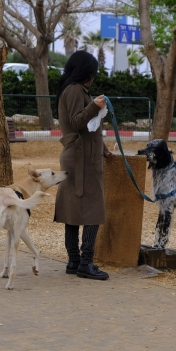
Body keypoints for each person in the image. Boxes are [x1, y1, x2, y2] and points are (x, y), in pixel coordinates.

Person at [54, 50, 112, 281]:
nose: (94, 78)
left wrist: (104, 150)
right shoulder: (76, 90)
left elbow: (89, 130)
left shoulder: (70, 89)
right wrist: (94, 107)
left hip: (78, 155)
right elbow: (79, 121)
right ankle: (86, 262)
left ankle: (74, 261)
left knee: (72, 210)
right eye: (92, 73)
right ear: (85, 72)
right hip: (82, 159)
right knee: (92, 210)